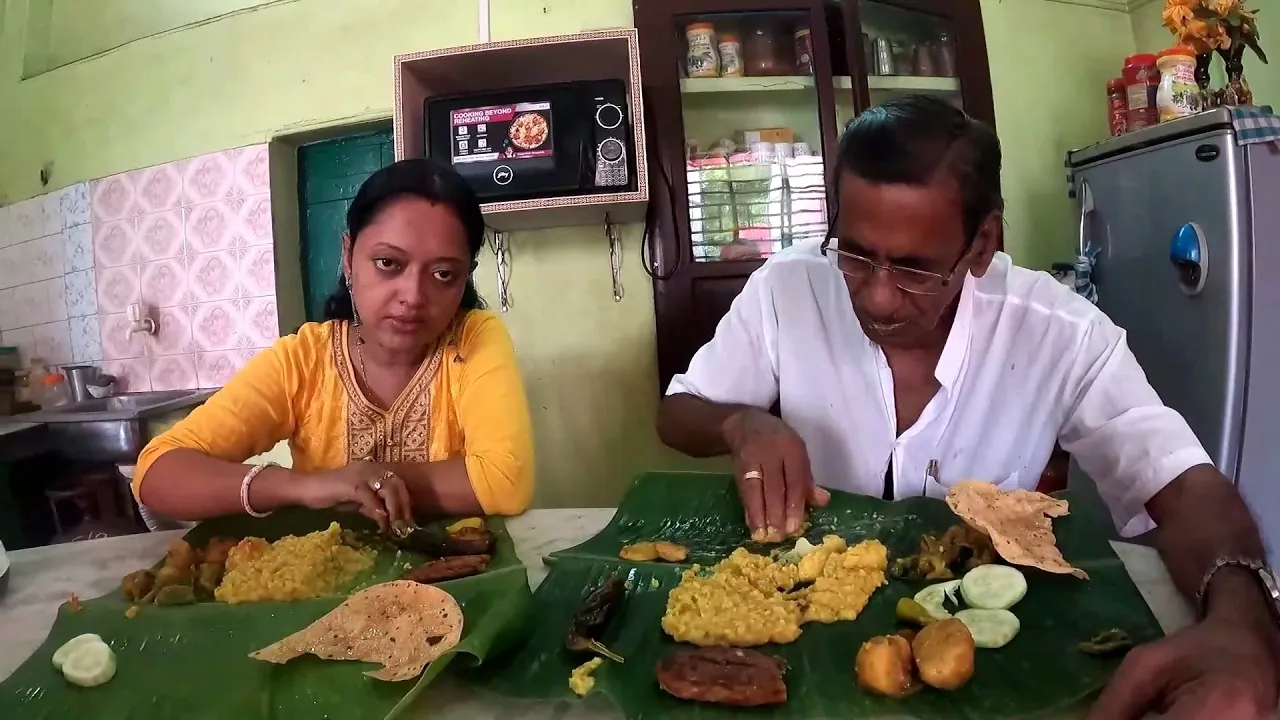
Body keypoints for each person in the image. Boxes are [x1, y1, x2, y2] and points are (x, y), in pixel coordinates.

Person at [657, 96, 1279, 718]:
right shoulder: (786, 289)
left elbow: (1183, 485)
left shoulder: (1060, 333)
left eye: (913, 270)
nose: (876, 297)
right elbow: (679, 411)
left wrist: (1244, 626)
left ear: (982, 243)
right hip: (810, 645)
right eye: (853, 253)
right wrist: (741, 423)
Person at [134, 158, 535, 532]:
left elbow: (504, 482)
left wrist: (371, 477)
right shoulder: (304, 361)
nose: (413, 295)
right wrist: (306, 487)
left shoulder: (474, 339)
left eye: (444, 273)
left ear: (466, 277)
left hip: (458, 581)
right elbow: (156, 472)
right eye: (388, 263)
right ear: (348, 256)